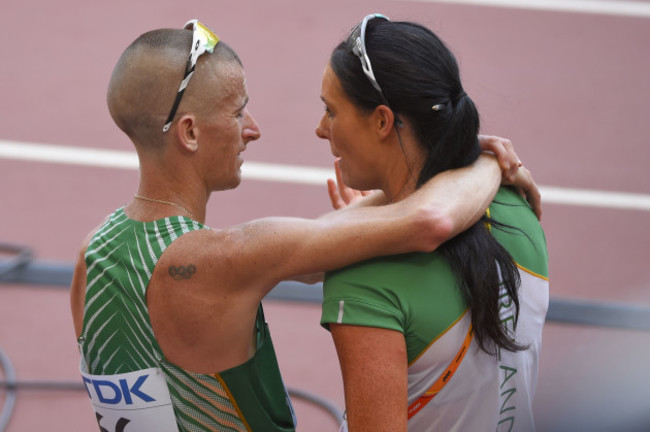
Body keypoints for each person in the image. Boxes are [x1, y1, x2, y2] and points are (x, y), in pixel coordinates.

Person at [69, 19, 537, 432]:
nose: (252, 128)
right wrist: (484, 160)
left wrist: (365, 207)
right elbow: (429, 219)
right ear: (189, 132)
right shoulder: (231, 258)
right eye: (236, 113)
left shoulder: (91, 257)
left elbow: (308, 249)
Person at [317, 14, 549, 432]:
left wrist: (358, 230)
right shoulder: (518, 204)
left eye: (331, 111)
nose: (321, 129)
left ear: (383, 121)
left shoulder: (362, 281)